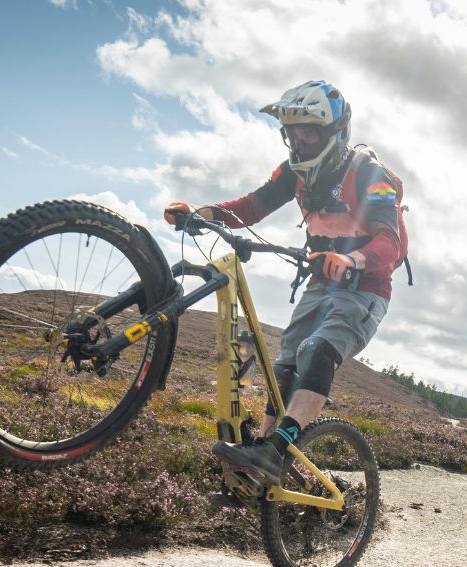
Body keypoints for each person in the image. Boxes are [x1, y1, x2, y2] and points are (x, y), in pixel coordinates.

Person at [163, 80, 407, 485]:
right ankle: (259, 464)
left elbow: (391, 241)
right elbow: (252, 206)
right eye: (293, 133)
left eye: (309, 132)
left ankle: (275, 453)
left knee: (317, 350)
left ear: (335, 132)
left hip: (365, 287)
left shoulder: (370, 174)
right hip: (320, 282)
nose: (300, 141)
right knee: (285, 366)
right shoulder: (295, 174)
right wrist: (201, 212)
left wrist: (352, 259)